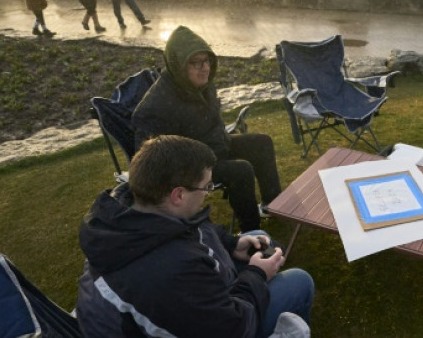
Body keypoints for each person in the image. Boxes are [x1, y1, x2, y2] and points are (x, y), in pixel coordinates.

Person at [76, 134, 314, 337]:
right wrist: (256, 275)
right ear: (178, 195)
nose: (208, 194)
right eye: (207, 187)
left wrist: (233, 244)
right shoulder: (169, 269)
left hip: (191, 305)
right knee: (299, 282)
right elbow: (234, 328)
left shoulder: (136, 209)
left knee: (258, 236)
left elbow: (193, 230)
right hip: (217, 325)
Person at [133, 25, 282, 232]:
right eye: (195, 62)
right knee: (241, 170)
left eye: (207, 61)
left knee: (261, 142)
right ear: (178, 64)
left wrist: (222, 139)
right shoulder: (156, 105)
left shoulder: (202, 84)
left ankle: (272, 205)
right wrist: (193, 167)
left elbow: (211, 123)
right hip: (191, 167)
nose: (204, 68)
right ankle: (251, 232)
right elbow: (149, 156)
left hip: (216, 146)